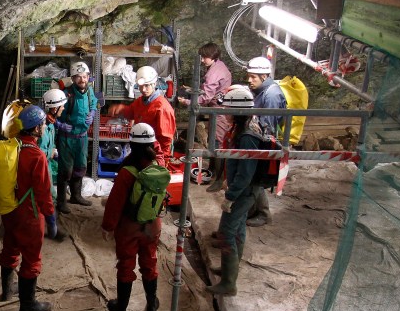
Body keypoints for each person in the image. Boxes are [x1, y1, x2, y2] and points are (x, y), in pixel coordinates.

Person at [101, 123, 165, 311]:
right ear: (153, 144)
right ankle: (151, 304)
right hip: (152, 225)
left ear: (131, 144)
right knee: (150, 262)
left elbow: (114, 205)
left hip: (128, 228)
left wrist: (108, 227)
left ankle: (121, 309)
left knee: (126, 265)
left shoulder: (127, 173)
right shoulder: (158, 168)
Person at [206, 85, 264, 296]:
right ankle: (230, 269)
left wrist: (231, 195)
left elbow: (246, 172)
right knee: (237, 229)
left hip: (244, 192)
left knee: (226, 233)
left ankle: (229, 283)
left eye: (228, 110)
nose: (225, 114)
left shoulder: (247, 136)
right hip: (243, 190)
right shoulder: (242, 130)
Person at [0, 105, 56, 311]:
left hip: (9, 209)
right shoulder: (36, 156)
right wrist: (50, 217)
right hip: (29, 213)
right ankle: (28, 304)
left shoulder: (10, 147)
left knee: (10, 247)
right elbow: (43, 192)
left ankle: (6, 292)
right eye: (42, 124)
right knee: (32, 256)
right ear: (36, 128)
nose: (43, 127)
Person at [178, 42, 233, 192]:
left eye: (204, 57)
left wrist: (188, 101)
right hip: (219, 109)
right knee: (215, 142)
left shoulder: (213, 72)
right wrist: (191, 89)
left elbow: (206, 96)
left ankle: (219, 179)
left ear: (213, 56)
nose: (202, 60)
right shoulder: (219, 66)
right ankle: (215, 172)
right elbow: (207, 90)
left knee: (217, 144)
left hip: (220, 111)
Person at [245, 57, 287, 227]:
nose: (249, 80)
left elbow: (267, 127)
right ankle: (255, 211)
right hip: (259, 139)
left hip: (264, 142)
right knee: (254, 179)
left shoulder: (271, 96)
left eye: (253, 77)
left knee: (257, 179)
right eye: (248, 76)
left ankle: (263, 214)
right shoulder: (263, 91)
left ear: (264, 76)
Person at [108, 65, 176, 167]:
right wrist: (121, 108)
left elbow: (166, 140)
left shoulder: (162, 107)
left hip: (154, 153)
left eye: (147, 85)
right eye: (141, 86)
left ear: (154, 84)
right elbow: (132, 112)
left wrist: (162, 161)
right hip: (141, 149)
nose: (143, 89)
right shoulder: (141, 101)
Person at [54, 61, 99, 214]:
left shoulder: (89, 91)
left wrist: (92, 113)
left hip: (82, 138)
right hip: (67, 138)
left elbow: (94, 102)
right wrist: (59, 125)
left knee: (80, 167)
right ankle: (61, 201)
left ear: (88, 77)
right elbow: (53, 113)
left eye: (85, 76)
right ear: (72, 79)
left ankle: (76, 195)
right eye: (78, 77)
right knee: (65, 170)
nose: (82, 80)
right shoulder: (66, 94)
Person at [40, 89, 68, 241]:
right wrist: (49, 153)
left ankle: (51, 228)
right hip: (42, 168)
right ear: (53, 108)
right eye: (61, 106)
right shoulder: (43, 127)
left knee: (50, 197)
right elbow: (35, 153)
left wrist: (52, 151)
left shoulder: (49, 124)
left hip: (46, 165)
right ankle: (53, 231)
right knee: (50, 198)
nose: (63, 109)